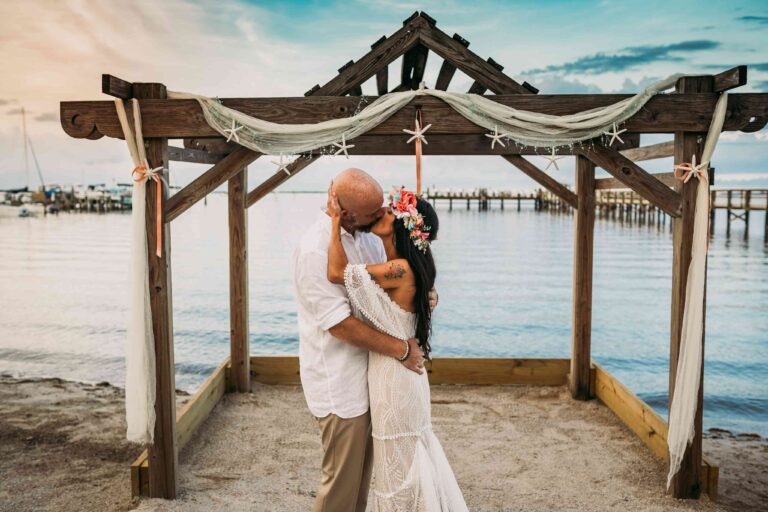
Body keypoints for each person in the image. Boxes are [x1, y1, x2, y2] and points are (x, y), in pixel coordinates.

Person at [293, 168, 433, 512]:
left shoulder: (369, 237)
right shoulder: (314, 249)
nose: (382, 215)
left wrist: (423, 296)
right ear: (346, 212)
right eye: (375, 213)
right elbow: (338, 324)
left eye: (384, 209)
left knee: (362, 484)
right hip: (340, 382)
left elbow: (397, 285)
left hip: (376, 378)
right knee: (341, 486)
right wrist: (402, 349)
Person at [326, 182, 469, 511]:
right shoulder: (403, 265)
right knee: (403, 465)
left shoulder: (400, 268)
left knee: (399, 471)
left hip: (395, 378)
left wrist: (335, 221)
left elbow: (336, 273)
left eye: (391, 211)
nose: (383, 212)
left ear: (403, 226)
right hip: (398, 375)